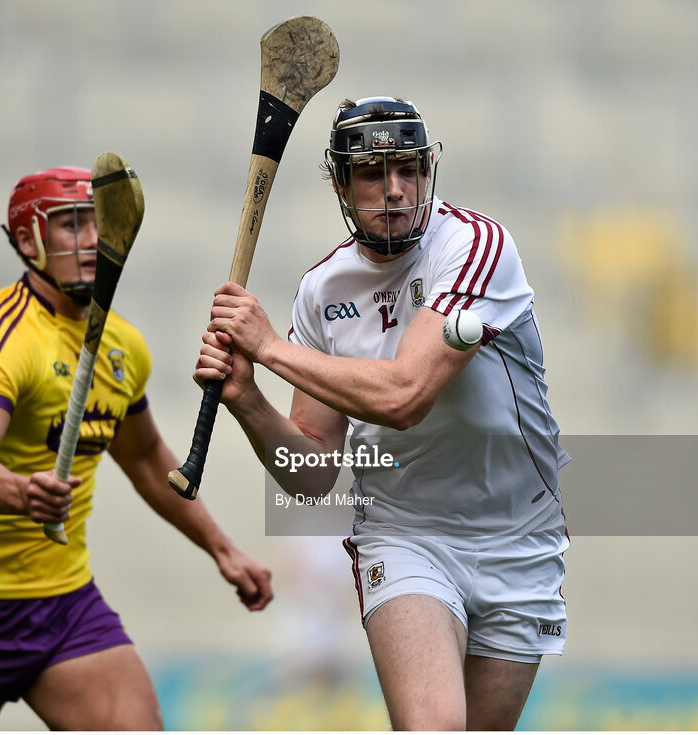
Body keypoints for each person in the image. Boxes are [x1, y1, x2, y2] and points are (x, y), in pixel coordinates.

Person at [193, 97, 569, 730]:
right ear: (342, 184)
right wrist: (246, 399)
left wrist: (271, 350)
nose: (395, 191)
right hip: (405, 533)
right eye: (372, 174)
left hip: (518, 538)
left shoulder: (475, 246)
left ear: (429, 172)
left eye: (409, 170)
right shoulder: (322, 291)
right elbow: (309, 474)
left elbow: (404, 398)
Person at [0, 167, 273, 730]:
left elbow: (144, 460)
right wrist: (22, 493)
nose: (93, 240)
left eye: (98, 224)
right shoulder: (3, 339)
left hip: (65, 606)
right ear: (28, 242)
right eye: (70, 226)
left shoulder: (121, 345)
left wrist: (220, 547)